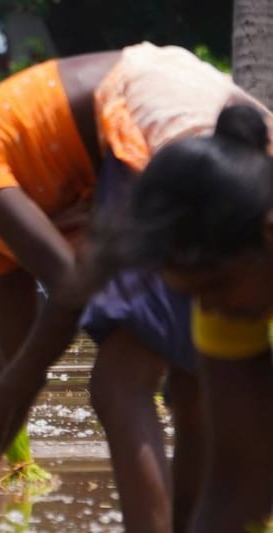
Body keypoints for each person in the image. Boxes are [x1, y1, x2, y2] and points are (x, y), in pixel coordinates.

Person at [0, 43, 272, 531]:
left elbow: (71, 287)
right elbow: (21, 364)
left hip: (151, 110)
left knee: (120, 382)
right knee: (187, 383)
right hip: (173, 108)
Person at [114, 105, 271, 533]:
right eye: (195, 297)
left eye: (215, 288)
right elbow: (232, 483)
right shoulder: (226, 300)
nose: (210, 309)